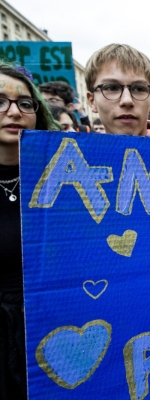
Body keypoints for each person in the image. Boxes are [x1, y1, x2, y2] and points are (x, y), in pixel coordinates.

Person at [0, 63, 58, 400]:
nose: (14, 112)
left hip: (45, 333)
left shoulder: (61, 180)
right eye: (1, 101)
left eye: (25, 103)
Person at [85, 44, 150, 137]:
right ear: (92, 101)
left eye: (139, 89)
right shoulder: (75, 150)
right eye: (112, 88)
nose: (127, 100)